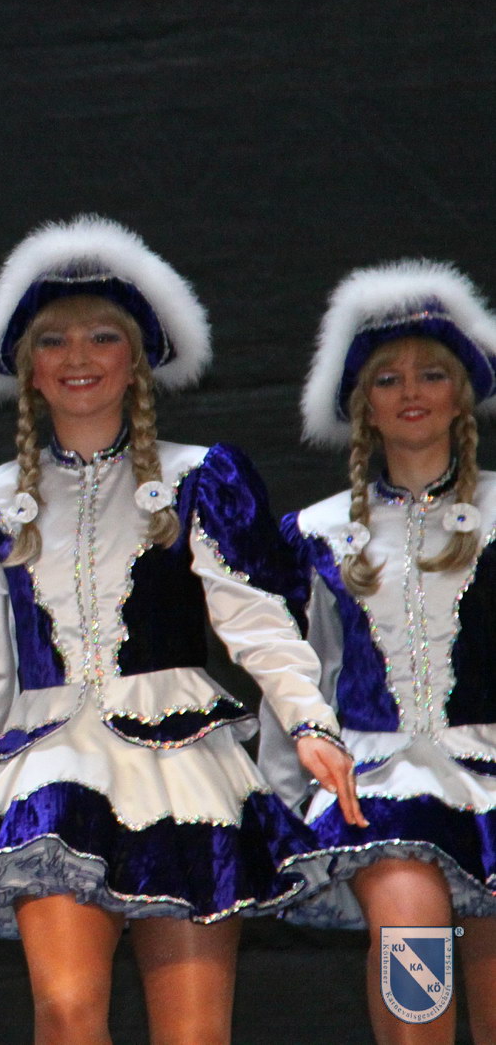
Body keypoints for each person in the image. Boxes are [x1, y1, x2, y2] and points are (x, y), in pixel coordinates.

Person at [0, 215, 361, 1045]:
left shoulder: (202, 479)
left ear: (137, 359)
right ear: (29, 367)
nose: (79, 356)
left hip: (181, 768)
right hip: (50, 773)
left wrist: (310, 721)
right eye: (54, 339)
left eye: (102, 336)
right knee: (66, 1010)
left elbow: (255, 618)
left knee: (194, 1032)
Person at [259, 261, 496, 1044]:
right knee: (413, 948)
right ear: (362, 402)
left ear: (463, 391)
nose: (411, 391)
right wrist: (278, 802)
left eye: (432, 372)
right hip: (381, 786)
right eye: (388, 378)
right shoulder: (318, 532)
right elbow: (299, 673)